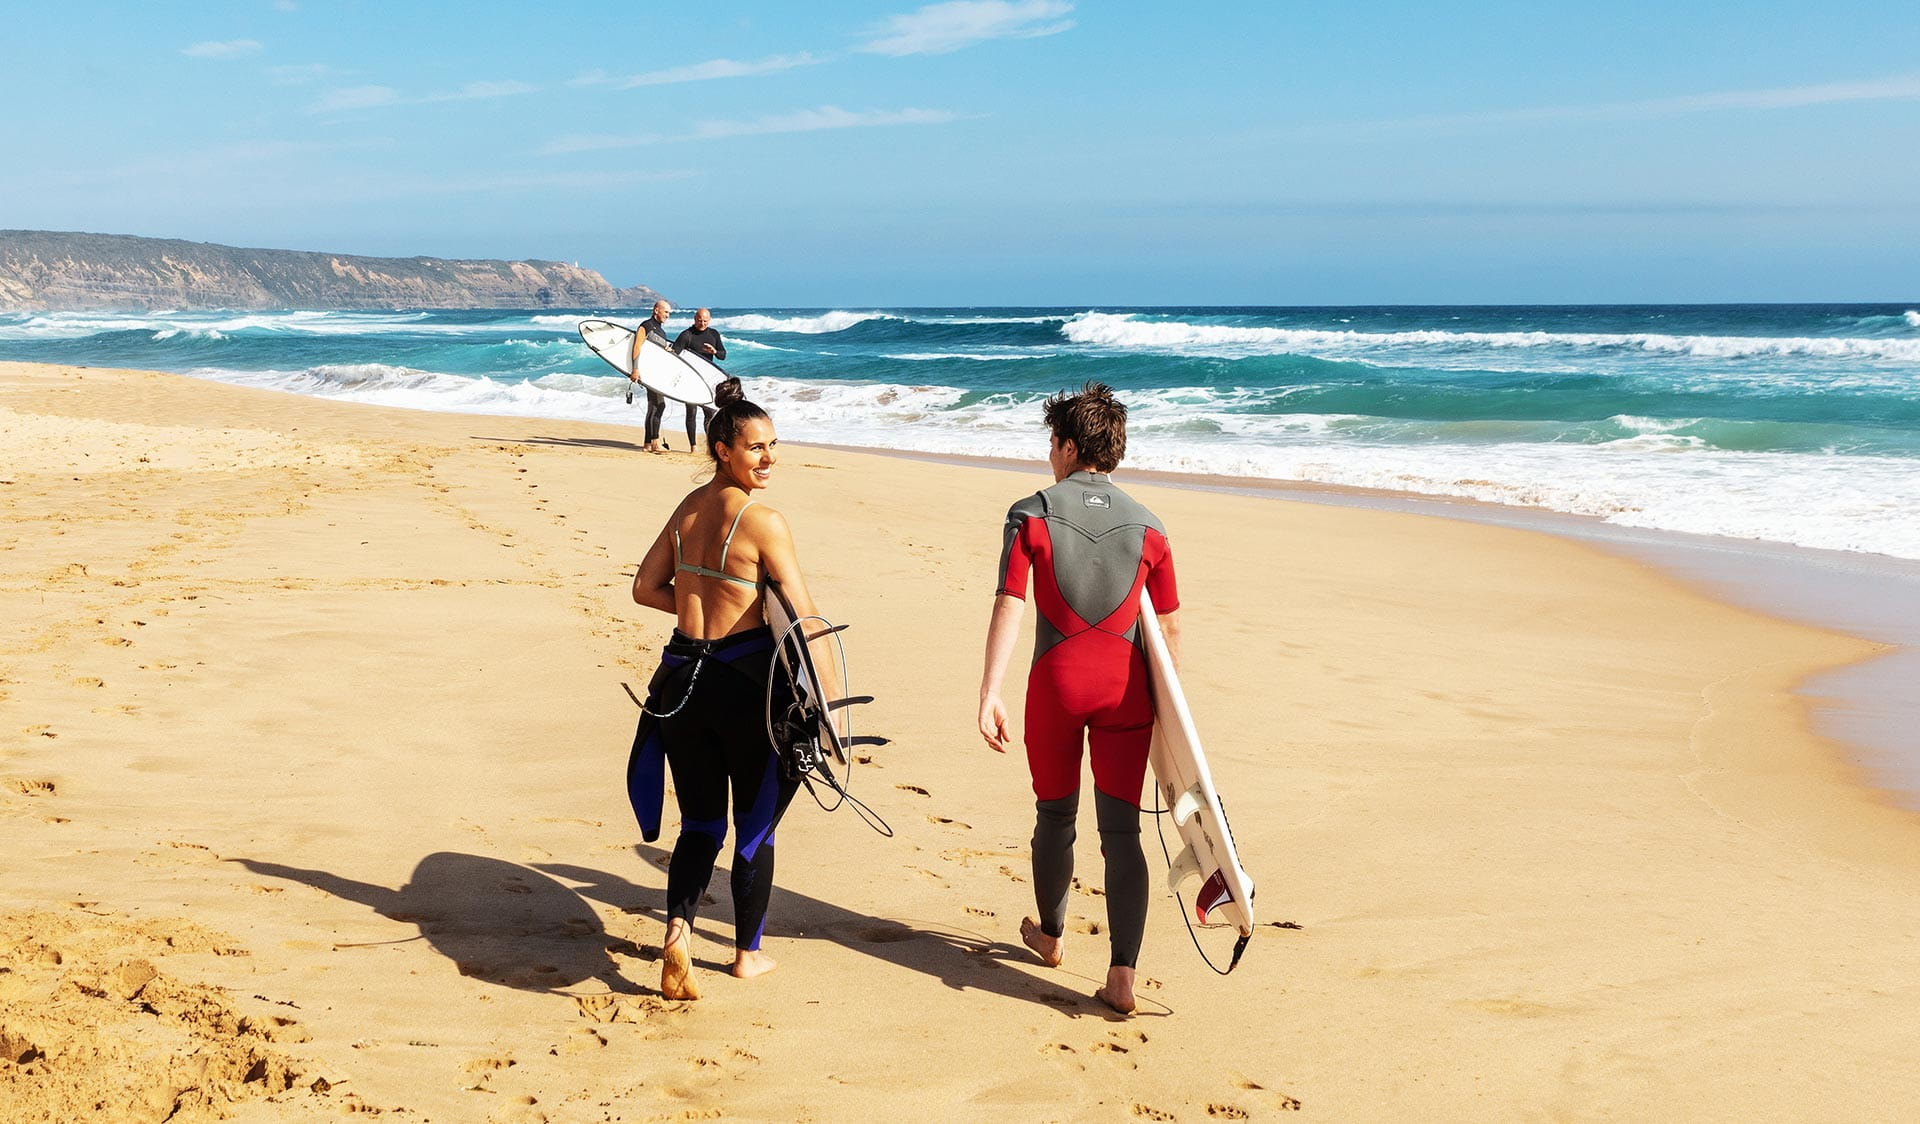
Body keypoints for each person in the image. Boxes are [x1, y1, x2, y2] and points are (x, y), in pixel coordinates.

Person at [976, 382, 1180, 1015]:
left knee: (1054, 817)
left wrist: (990, 692)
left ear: (1066, 445)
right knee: (1122, 833)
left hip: (1057, 687)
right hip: (1129, 693)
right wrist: (1173, 726)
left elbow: (1010, 602)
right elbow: (1168, 630)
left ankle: (1052, 937)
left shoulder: (1030, 512)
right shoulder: (1152, 526)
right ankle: (1122, 978)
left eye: (1051, 443)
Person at [625, 377, 833, 999]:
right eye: (756, 448)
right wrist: (827, 712)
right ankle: (746, 955)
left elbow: (644, 588)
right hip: (746, 686)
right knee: (757, 826)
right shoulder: (762, 520)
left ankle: (678, 938)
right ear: (722, 448)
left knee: (700, 826)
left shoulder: (687, 509)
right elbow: (805, 616)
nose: (769, 459)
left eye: (774, 445)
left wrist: (700, 604)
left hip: (682, 682)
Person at [670, 307, 727, 451]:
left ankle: (711, 446)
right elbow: (673, 356)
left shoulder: (713, 334)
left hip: (708, 379)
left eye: (705, 321)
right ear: (695, 319)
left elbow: (723, 355)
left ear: (710, 320)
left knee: (710, 413)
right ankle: (693, 446)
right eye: (700, 320)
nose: (702, 323)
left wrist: (714, 351)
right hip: (690, 379)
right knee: (691, 412)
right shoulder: (686, 335)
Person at [628, 299, 673, 453]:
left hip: (657, 373)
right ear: (656, 310)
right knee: (659, 405)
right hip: (648, 374)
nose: (667, 315)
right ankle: (655, 442)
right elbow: (637, 347)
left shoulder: (661, 331)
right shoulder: (646, 326)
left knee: (653, 406)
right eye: (665, 312)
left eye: (669, 313)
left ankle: (647, 444)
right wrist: (635, 369)